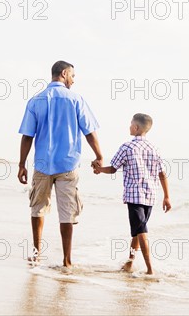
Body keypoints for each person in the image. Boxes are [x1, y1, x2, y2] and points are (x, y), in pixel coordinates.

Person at [17, 60, 103, 269]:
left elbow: (28, 136)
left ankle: (37, 254)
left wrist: (22, 164)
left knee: (38, 208)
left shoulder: (36, 100)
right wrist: (99, 156)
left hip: (42, 165)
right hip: (68, 164)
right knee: (67, 212)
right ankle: (67, 260)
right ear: (64, 74)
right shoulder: (76, 99)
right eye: (72, 76)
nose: (73, 80)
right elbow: (89, 131)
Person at [92, 113, 171, 275]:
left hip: (134, 196)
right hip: (150, 196)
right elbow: (162, 174)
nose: (129, 127)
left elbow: (113, 168)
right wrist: (167, 196)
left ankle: (150, 268)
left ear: (136, 128)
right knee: (138, 230)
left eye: (130, 124)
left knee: (141, 229)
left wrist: (99, 169)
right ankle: (130, 262)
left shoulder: (127, 147)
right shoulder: (154, 148)